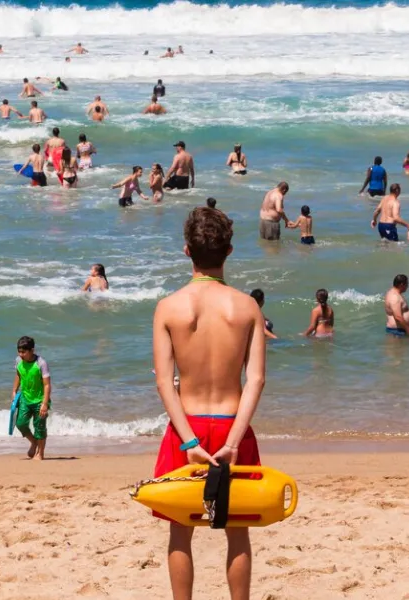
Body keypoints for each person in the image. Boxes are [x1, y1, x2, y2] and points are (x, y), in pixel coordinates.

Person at [151, 206, 265, 600]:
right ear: (229, 251)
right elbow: (256, 379)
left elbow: (165, 383)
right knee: (238, 531)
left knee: (180, 531)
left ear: (186, 251)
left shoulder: (168, 307)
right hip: (234, 425)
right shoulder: (248, 307)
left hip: (188, 429)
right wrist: (233, 441)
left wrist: (189, 444)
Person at [12, 336, 51, 460]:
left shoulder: (41, 363)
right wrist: (14, 390)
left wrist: (45, 403)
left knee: (39, 426)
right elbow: (19, 374)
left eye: (24, 352)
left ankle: (40, 453)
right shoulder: (18, 361)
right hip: (25, 398)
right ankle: (34, 442)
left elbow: (47, 384)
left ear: (32, 350)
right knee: (20, 423)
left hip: (40, 400)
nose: (21, 354)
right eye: (19, 351)